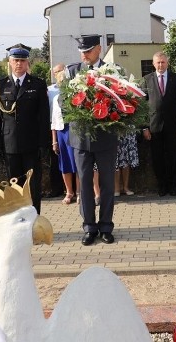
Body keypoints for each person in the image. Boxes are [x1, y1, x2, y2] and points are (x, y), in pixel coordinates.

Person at [67, 34, 119, 246]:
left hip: (106, 137)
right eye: (82, 51)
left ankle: (106, 226)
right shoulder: (71, 72)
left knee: (107, 184)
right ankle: (89, 227)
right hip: (81, 138)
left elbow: (119, 100)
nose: (84, 55)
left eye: (88, 51)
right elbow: (64, 101)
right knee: (85, 185)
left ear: (99, 49)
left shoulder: (113, 71)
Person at [0, 44, 50, 214]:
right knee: (14, 187)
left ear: (27, 63)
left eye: (22, 61)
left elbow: (43, 117)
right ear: (9, 62)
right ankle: (18, 222)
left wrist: (43, 144)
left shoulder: (38, 84)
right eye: (15, 60)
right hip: (10, 144)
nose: (19, 64)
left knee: (33, 186)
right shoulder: (0, 85)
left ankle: (34, 221)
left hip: (32, 144)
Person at [142, 51, 176, 196]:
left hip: (173, 126)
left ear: (167, 63)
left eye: (163, 62)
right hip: (154, 127)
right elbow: (142, 106)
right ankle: (162, 186)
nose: (160, 65)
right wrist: (144, 127)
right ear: (153, 64)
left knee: (173, 156)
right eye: (158, 62)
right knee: (157, 158)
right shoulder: (146, 80)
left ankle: (173, 185)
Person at [50, 63, 78, 204]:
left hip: (75, 131)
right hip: (61, 132)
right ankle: (69, 192)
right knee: (65, 164)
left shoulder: (76, 93)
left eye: (62, 74)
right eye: (57, 75)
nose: (60, 79)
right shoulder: (55, 98)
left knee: (78, 163)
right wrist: (54, 141)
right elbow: (54, 120)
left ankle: (79, 192)